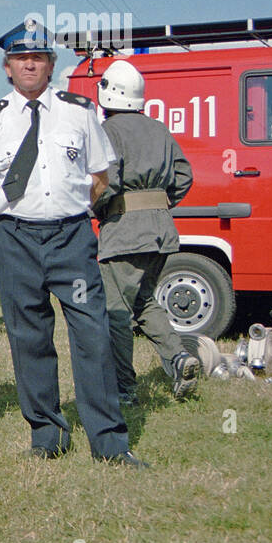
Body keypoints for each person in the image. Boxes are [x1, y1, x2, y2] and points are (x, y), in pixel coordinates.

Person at [0, 30, 146, 466]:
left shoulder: (79, 113)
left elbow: (100, 176)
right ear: (7, 67)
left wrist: (70, 210)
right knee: (29, 336)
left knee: (92, 334)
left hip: (71, 239)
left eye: (39, 58)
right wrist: (13, 216)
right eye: (20, 59)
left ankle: (109, 440)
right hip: (17, 241)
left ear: (50, 64)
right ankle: (47, 434)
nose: (29, 65)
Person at [92, 59, 198, 403]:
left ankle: (124, 389)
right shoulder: (159, 130)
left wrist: (95, 210)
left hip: (124, 233)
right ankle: (179, 357)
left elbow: (106, 184)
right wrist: (157, 206)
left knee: (117, 312)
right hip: (161, 231)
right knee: (146, 302)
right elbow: (184, 177)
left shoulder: (109, 131)